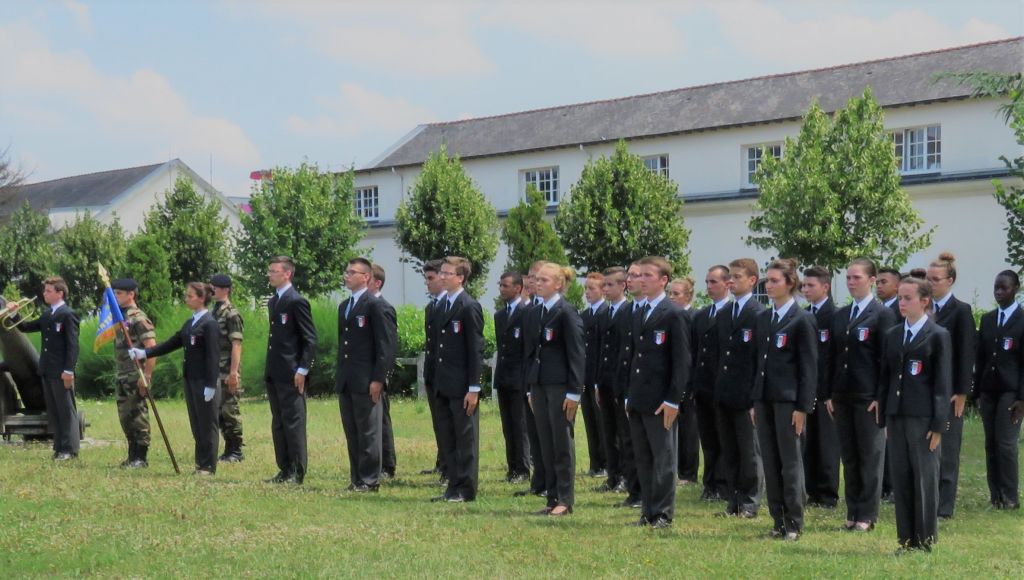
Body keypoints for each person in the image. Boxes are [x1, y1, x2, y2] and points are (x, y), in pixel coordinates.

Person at [877, 275, 951, 553]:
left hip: (923, 418)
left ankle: (926, 539)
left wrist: (938, 424)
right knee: (902, 477)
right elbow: (886, 379)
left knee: (924, 479)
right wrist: (884, 416)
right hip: (897, 416)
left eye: (908, 298)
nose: (902, 303)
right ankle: (906, 539)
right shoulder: (893, 334)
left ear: (924, 301)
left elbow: (942, 384)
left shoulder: (937, 335)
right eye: (900, 298)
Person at [828, 257, 895, 532]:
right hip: (843, 395)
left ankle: (867, 514)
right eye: (848, 277)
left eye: (857, 277)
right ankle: (852, 511)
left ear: (871, 280)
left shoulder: (882, 315)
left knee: (870, 455)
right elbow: (832, 357)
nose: (851, 282)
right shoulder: (841, 315)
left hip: (868, 397)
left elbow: (888, 360)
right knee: (850, 455)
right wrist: (829, 393)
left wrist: (881, 397)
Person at [752, 259, 817, 541]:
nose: (769, 285)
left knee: (790, 462)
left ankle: (793, 522)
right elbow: (759, 363)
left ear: (790, 283)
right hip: (765, 400)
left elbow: (809, 368)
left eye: (775, 280)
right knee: (770, 459)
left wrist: (803, 407)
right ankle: (777, 520)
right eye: (767, 281)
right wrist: (755, 400)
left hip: (788, 402)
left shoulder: (802, 319)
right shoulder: (764, 319)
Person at [626, 256, 691, 528]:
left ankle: (663, 513)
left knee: (663, 458)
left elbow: (681, 361)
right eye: (640, 275)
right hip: (640, 397)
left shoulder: (673, 313)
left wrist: (673, 400)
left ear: (663, 280)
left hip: (661, 400)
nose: (641, 280)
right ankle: (648, 509)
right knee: (643, 457)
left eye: (648, 275)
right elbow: (636, 358)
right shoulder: (640, 311)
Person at [131, 283, 221, 475]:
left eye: (190, 296)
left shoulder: (210, 323)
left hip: (204, 381)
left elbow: (213, 356)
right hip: (191, 379)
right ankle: (200, 463)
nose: (186, 299)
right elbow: (172, 343)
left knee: (207, 424)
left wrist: (211, 384)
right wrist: (145, 352)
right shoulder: (190, 323)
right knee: (197, 423)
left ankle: (208, 465)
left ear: (201, 298)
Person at [523, 262, 585, 516]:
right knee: (545, 443)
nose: (538, 283)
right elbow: (530, 352)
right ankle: (552, 497)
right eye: (536, 279)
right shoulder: (534, 312)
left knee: (561, 442)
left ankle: (565, 499)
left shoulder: (565, 312)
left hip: (560, 386)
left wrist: (574, 392)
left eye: (545, 280)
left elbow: (577, 354)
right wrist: (530, 387)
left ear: (558, 284)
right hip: (539, 384)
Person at [336, 258, 396, 492]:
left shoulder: (376, 305)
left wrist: (378, 379)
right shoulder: (345, 306)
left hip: (367, 378)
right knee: (352, 431)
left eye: (353, 272)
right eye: (346, 271)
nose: (347, 275)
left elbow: (386, 346)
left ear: (366, 277)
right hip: (348, 378)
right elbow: (345, 344)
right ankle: (357, 477)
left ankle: (370, 479)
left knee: (369, 431)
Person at [926, 252, 976, 520]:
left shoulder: (961, 311)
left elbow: (966, 354)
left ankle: (944, 506)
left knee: (948, 449)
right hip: (925, 388)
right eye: (928, 278)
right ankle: (927, 498)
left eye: (936, 279)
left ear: (950, 280)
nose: (931, 283)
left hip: (950, 391)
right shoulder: (925, 309)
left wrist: (962, 391)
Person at [429, 257, 484, 503]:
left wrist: (474, 387)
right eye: (441, 272)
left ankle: (466, 488)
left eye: (447, 273)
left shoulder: (468, 306)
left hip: (462, 386)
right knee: (447, 438)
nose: (442, 277)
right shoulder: (441, 305)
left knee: (465, 439)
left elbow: (475, 350)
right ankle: (452, 485)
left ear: (460, 277)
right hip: (444, 384)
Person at [7, 277, 80, 460]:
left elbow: (73, 346)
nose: (44, 294)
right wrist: (15, 313)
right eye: (45, 290)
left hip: (61, 371)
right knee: (54, 411)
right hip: (47, 370)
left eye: (48, 291)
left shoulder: (67, 314)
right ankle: (59, 446)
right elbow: (24, 327)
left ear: (59, 293)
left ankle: (70, 449)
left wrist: (69, 371)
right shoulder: (48, 315)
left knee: (65, 410)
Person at [715, 258, 764, 518]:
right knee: (730, 450)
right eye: (729, 276)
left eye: (736, 276)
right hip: (725, 392)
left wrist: (755, 397)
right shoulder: (725, 314)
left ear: (752, 280)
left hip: (746, 395)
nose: (730, 281)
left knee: (749, 452)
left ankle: (750, 501)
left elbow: (758, 359)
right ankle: (733, 500)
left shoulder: (758, 314)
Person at [263, 256, 318, 485]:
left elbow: (310, 338)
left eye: (274, 271)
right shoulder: (273, 302)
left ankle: (297, 469)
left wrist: (303, 369)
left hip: (292, 371)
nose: (270, 274)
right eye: (269, 271)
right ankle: (284, 467)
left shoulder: (297, 301)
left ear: (287, 274)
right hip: (275, 370)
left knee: (294, 421)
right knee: (279, 421)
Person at [974, 270, 1024, 510]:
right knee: (990, 443)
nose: (998, 292)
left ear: (1016, 288)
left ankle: (1010, 496)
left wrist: (1022, 399)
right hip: (989, 389)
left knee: (1005, 443)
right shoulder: (988, 319)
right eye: (996, 287)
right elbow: (981, 357)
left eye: (1003, 288)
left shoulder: (1022, 320)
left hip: (1010, 391)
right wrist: (977, 392)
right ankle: (995, 496)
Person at [595, 266, 637, 502]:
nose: (606, 289)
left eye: (610, 285)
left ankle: (625, 477)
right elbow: (603, 350)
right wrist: (598, 382)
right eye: (604, 285)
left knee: (624, 433)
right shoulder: (604, 314)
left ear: (623, 286)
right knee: (608, 431)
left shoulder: (628, 312)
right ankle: (613, 474)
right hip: (605, 381)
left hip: (622, 381)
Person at [800, 266, 839, 508]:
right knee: (808, 442)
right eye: (803, 285)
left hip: (825, 392)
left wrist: (831, 392)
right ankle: (811, 489)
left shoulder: (835, 316)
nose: (805, 289)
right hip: (807, 390)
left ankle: (827, 494)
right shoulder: (803, 315)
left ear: (825, 287)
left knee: (826, 444)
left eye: (810, 285)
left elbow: (834, 358)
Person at [693, 266, 732, 501]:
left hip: (723, 386)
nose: (709, 286)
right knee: (707, 439)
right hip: (703, 386)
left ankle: (724, 483)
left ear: (727, 284)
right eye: (707, 282)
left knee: (723, 437)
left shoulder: (730, 313)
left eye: (714, 282)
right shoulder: (701, 315)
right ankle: (710, 484)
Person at [111, 278, 157, 468]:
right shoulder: (120, 318)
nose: (116, 297)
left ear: (131, 294)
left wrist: (146, 375)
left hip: (135, 373)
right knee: (125, 416)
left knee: (138, 415)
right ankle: (132, 453)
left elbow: (152, 348)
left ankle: (141, 456)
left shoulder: (138, 318)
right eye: (114, 293)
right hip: (123, 373)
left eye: (119, 293)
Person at [494, 271, 530, 483]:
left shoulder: (526, 313)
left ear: (518, 288)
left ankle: (523, 468)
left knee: (520, 424)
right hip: (504, 376)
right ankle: (512, 467)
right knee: (508, 425)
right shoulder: (500, 316)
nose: (502, 289)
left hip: (519, 378)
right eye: (501, 285)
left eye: (506, 285)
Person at [210, 274, 245, 463]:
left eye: (214, 287)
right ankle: (227, 448)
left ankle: (236, 450)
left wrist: (233, 373)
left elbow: (236, 344)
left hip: (227, 369)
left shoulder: (231, 313)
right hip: (215, 370)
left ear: (225, 289)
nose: (211, 290)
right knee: (218, 412)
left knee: (230, 411)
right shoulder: (214, 312)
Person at [876, 266, 903, 502]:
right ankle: (885, 485)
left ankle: (893, 485)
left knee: (891, 437)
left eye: (884, 282)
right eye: (878, 282)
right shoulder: (880, 310)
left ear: (897, 285)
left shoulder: (899, 310)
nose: (879, 286)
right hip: (878, 381)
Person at [668, 276, 700, 485]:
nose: (671, 297)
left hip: (689, 380)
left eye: (676, 294)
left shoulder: (693, 317)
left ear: (688, 296)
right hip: (672, 379)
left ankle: (688, 473)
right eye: (669, 293)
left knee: (689, 428)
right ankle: (675, 468)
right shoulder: (670, 316)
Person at [420, 259, 449, 482]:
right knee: (438, 421)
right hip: (433, 372)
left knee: (449, 423)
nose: (427, 283)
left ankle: (449, 466)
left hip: (447, 374)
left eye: (431, 278)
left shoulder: (450, 306)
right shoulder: (432, 307)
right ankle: (443, 462)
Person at [370, 263, 399, 479]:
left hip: (377, 374)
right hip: (365, 374)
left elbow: (387, 346)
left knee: (382, 420)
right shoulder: (363, 306)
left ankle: (387, 464)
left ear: (377, 282)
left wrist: (382, 376)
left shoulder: (382, 307)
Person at [581, 272, 609, 478]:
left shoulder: (605, 314)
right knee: (590, 420)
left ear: (602, 290)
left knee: (602, 423)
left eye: (592, 288)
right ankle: (595, 463)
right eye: (586, 289)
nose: (587, 293)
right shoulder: (584, 316)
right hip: (585, 376)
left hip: (600, 376)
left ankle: (607, 463)